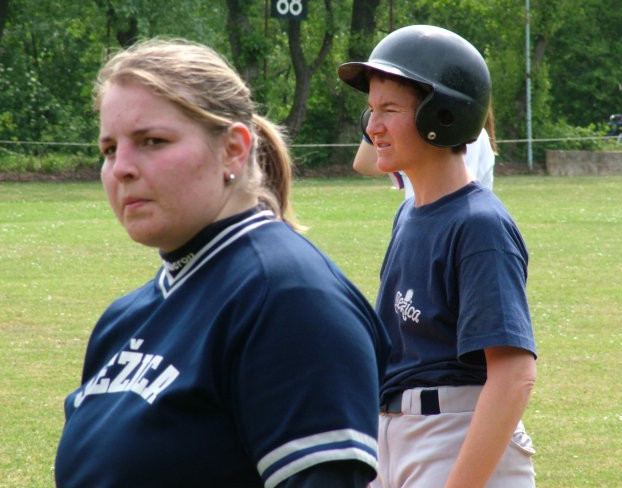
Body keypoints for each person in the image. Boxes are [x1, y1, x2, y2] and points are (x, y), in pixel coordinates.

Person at [54, 38, 391, 488]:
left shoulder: (288, 299)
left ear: (233, 148)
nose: (121, 168)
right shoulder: (122, 319)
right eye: (110, 149)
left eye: (152, 141)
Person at [338, 25, 537, 487]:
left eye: (389, 110)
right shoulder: (410, 214)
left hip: (453, 436)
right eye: (371, 110)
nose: (372, 127)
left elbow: (513, 376)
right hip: (397, 435)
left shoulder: (478, 224)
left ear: (444, 114)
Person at [352, 105, 497, 196]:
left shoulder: (466, 136)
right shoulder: (417, 139)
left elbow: (453, 195)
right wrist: (379, 110)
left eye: (391, 109)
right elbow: (364, 163)